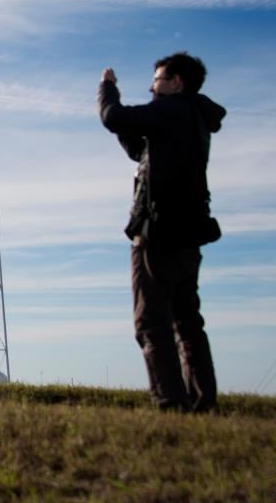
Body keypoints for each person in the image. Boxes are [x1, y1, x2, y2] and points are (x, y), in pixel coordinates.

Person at [97, 52, 226, 413]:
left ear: (176, 82)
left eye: (157, 81)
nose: (152, 88)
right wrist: (128, 125)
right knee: (188, 322)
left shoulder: (172, 110)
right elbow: (141, 151)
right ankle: (204, 403)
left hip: (158, 235)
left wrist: (107, 88)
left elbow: (113, 116)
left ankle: (171, 403)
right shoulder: (195, 117)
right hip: (189, 235)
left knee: (152, 322)